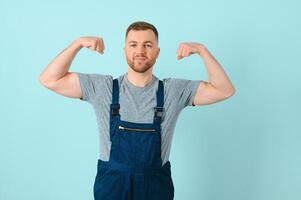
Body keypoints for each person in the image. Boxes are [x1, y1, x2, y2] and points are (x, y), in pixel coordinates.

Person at [39, 21, 235, 200]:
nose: (140, 51)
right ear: (125, 50)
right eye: (133, 44)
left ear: (157, 52)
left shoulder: (173, 91)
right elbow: (50, 79)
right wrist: (78, 43)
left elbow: (224, 90)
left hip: (155, 186)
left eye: (147, 45)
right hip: (113, 185)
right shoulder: (103, 87)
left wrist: (202, 50)